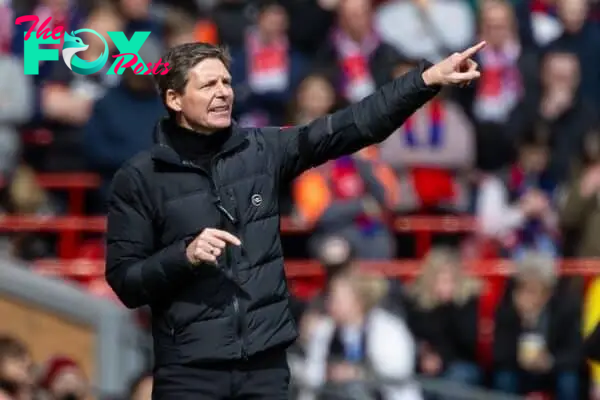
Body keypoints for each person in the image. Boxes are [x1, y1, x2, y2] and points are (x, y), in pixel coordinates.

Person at [105, 40, 485, 399]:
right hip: (189, 371)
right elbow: (126, 282)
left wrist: (425, 81)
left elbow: (353, 126)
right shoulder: (139, 178)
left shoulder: (262, 150)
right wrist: (183, 256)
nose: (223, 92)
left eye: (226, 82)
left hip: (265, 368)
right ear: (174, 98)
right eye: (208, 85)